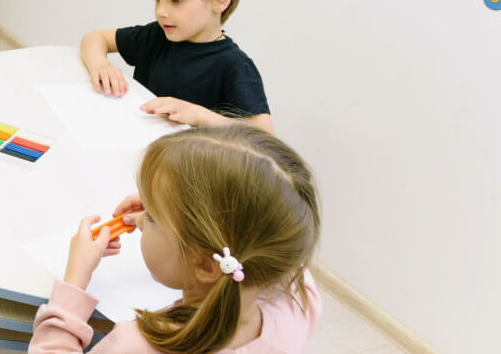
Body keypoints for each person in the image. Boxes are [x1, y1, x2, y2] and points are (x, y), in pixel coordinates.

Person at [30, 125, 321, 353]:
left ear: (206, 265)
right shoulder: (298, 302)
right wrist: (168, 208)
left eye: (153, 218)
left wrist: (75, 280)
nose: (142, 218)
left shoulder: (137, 345)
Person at [80, 0, 273, 131]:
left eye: (176, 0)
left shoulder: (235, 65)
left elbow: (264, 135)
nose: (160, 12)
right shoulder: (156, 36)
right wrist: (100, 65)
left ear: (220, 0)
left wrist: (199, 115)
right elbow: (94, 38)